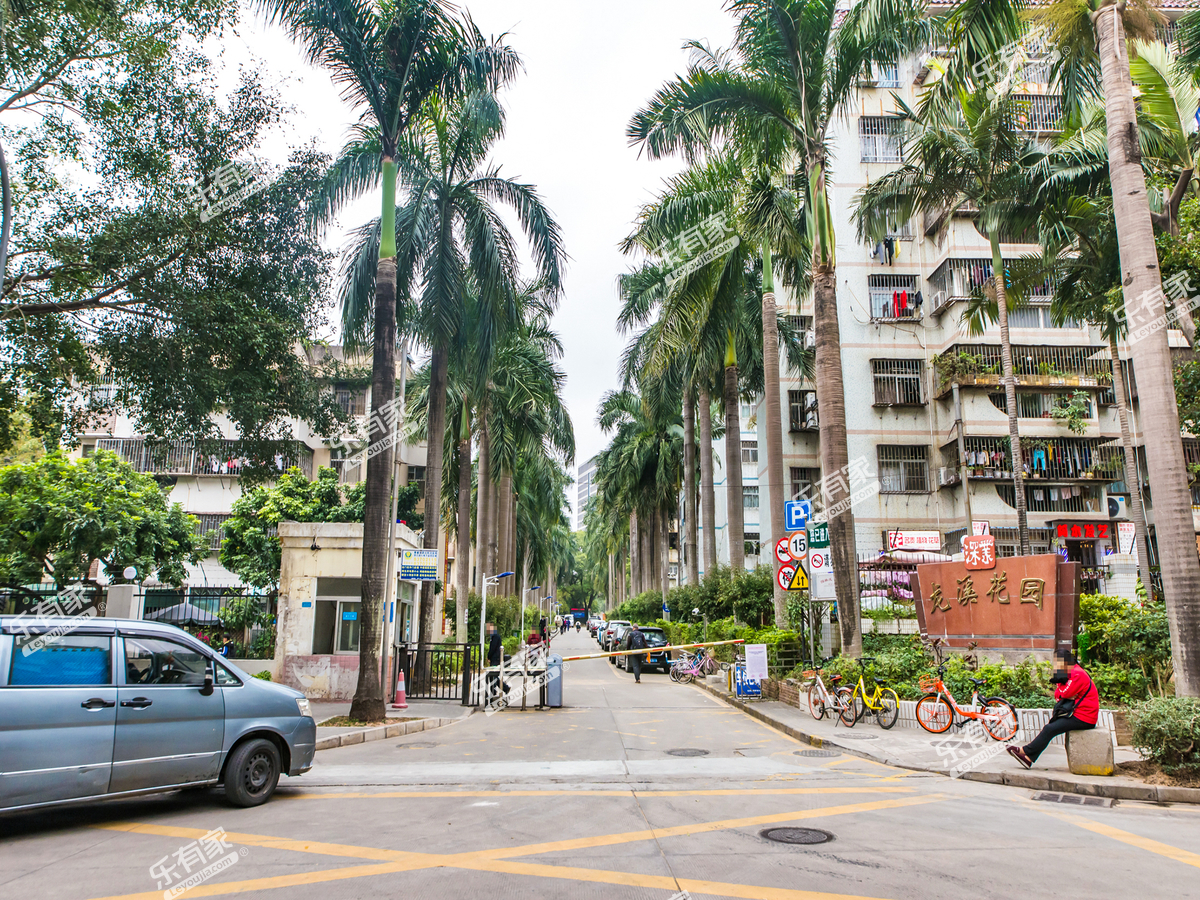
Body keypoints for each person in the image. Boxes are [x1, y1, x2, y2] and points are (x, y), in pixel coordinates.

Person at [1007, 649, 1098, 769]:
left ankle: (1026, 754)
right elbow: (1059, 695)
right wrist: (1062, 689)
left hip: (1085, 717)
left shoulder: (1077, 673)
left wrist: (1061, 690)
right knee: (1050, 726)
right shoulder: (1070, 672)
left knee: (1050, 728)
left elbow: (1065, 693)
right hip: (1077, 714)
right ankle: (1027, 756)